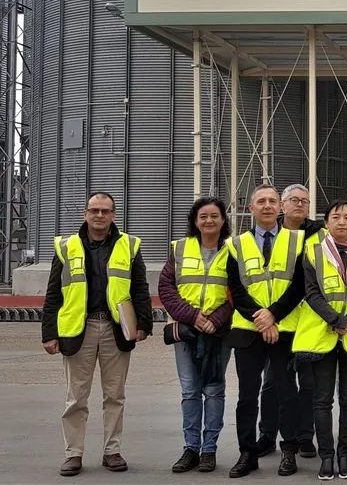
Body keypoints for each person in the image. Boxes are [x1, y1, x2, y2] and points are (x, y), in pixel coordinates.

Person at [41, 191, 152, 477]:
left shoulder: (128, 245)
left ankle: (112, 451)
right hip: (80, 328)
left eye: (105, 211)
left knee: (115, 396)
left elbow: (140, 287)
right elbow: (54, 292)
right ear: (85, 214)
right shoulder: (67, 246)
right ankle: (73, 454)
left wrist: (143, 325)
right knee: (76, 397)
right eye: (94, 210)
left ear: (114, 215)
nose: (99, 215)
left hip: (116, 327)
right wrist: (49, 333)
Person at [226, 184, 307, 478]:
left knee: (287, 394)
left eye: (273, 201)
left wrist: (273, 315)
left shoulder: (298, 241)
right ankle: (247, 454)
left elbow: (299, 285)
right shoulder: (235, 244)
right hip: (248, 330)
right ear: (251, 208)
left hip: (285, 329)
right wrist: (261, 319)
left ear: (281, 207)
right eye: (261, 201)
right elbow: (235, 288)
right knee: (247, 396)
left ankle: (289, 452)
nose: (268, 206)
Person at [295, 200, 347, 480]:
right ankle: (326, 457)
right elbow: (311, 291)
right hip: (323, 333)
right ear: (327, 222)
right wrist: (336, 320)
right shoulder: (312, 251)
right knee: (322, 399)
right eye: (335, 217)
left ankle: (345, 455)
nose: (341, 221)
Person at [160, 197, 234, 474]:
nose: (209, 221)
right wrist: (193, 317)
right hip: (187, 331)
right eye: (203, 216)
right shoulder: (179, 248)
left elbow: (238, 291)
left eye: (214, 216)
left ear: (223, 220)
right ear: (195, 221)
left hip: (218, 333)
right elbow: (166, 287)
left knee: (214, 390)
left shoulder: (233, 251)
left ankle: (209, 450)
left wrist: (215, 320)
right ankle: (191, 447)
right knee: (190, 390)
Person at [257, 184, 324, 459]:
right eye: (294, 200)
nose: (299, 205)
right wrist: (269, 315)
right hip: (278, 322)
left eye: (305, 201)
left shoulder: (319, 234)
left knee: (309, 384)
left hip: (309, 320)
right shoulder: (271, 235)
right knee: (273, 382)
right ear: (282, 206)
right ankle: (267, 434)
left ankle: (304, 437)